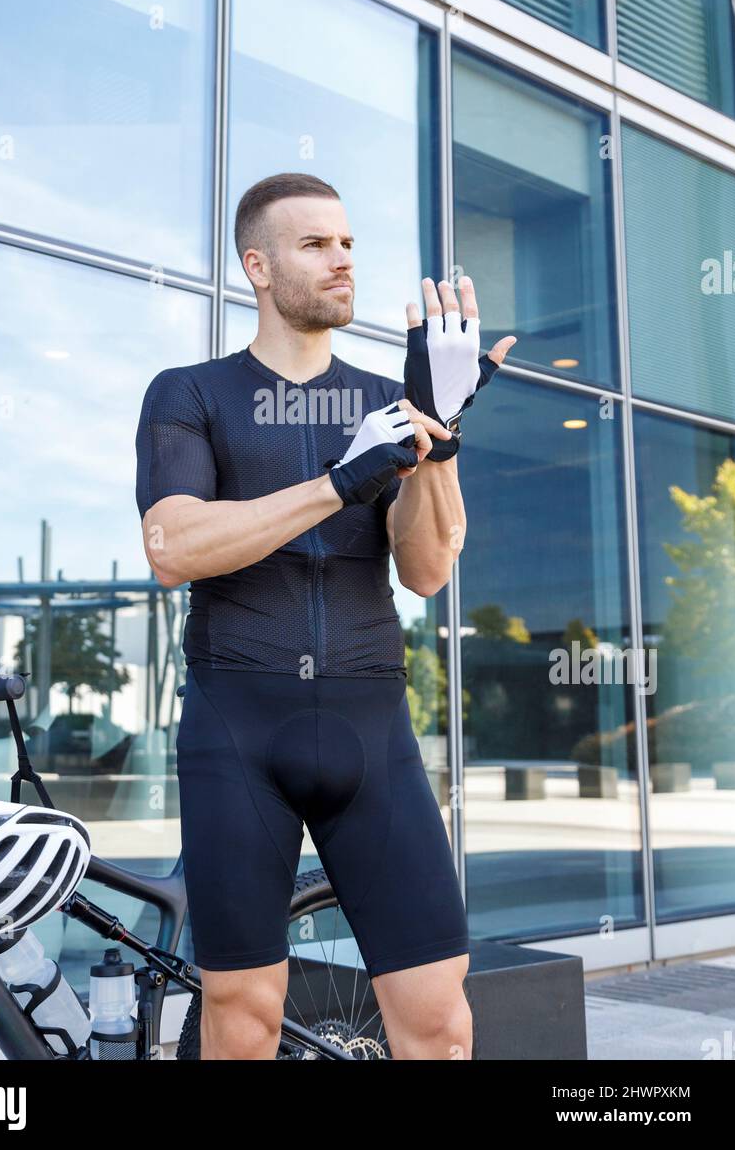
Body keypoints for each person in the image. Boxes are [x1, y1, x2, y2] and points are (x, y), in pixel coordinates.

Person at [135, 172, 516, 1060]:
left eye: (347, 243)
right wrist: (339, 480)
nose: (342, 260)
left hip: (371, 724)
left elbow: (425, 571)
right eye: (315, 246)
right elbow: (172, 547)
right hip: (239, 727)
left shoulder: (388, 401)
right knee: (242, 1018)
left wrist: (436, 438)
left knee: (441, 1025)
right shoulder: (190, 393)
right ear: (257, 266)